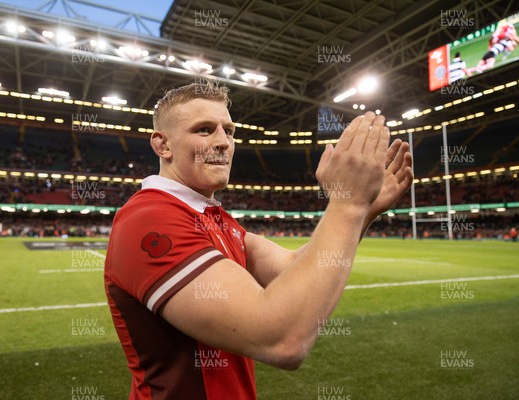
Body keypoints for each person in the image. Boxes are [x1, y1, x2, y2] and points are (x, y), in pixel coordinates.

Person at [104, 81, 413, 399]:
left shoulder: (216, 219)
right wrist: (348, 206)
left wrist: (363, 211)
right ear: (162, 145)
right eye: (204, 129)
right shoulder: (151, 218)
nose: (223, 142)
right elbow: (280, 338)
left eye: (229, 130)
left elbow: (292, 268)